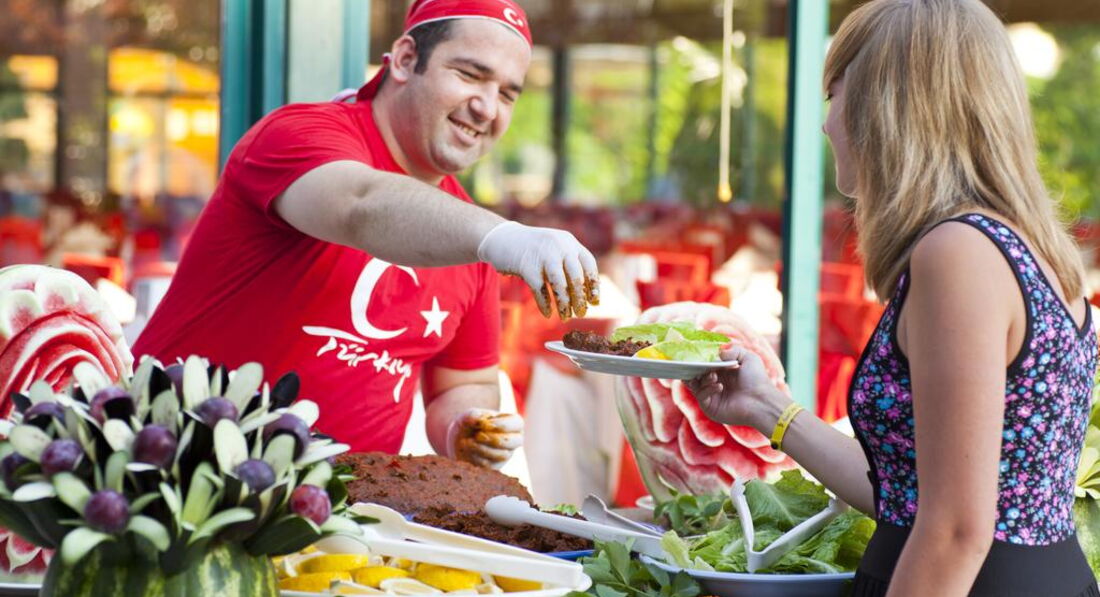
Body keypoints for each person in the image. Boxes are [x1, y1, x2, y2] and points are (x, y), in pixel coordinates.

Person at [687, 1, 1099, 595]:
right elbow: (909, 495)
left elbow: (955, 532)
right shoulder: (1018, 245)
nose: (826, 124)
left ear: (885, 106)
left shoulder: (958, 252)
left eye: (833, 95)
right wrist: (766, 409)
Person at [133, 0, 600, 470]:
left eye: (507, 94)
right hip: (169, 466)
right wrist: (501, 236)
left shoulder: (470, 236)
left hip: (343, 504)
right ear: (405, 59)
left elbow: (462, 384)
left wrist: (465, 426)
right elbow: (359, 204)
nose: (487, 108)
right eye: (469, 74)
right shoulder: (300, 132)